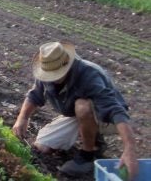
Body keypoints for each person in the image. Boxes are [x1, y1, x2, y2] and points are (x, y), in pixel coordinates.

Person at [12, 41, 139, 178]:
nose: (52, 78)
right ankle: (91, 135)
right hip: (75, 114)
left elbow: (114, 110)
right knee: (42, 146)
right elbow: (35, 94)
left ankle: (88, 154)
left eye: (56, 74)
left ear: (67, 64)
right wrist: (22, 118)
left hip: (106, 117)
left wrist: (129, 147)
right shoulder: (47, 69)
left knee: (82, 106)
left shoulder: (89, 75)